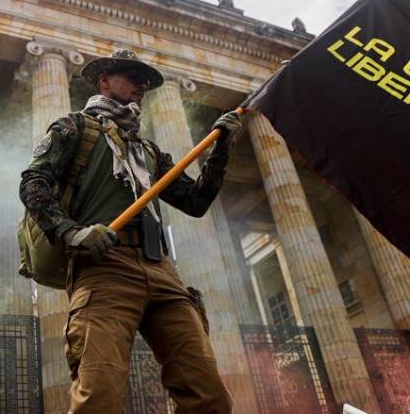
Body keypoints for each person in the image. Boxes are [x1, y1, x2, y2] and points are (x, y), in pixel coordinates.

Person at [19, 49, 242, 413]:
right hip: (105, 269)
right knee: (99, 394)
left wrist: (220, 150)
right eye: (131, 76)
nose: (141, 85)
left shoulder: (148, 150)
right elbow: (33, 183)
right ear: (104, 81)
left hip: (163, 274)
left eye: (146, 82)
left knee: (209, 395)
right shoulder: (74, 127)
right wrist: (71, 232)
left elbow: (195, 202)